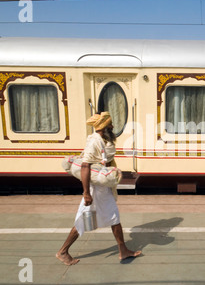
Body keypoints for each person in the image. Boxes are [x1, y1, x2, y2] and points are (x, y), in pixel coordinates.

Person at [56, 112, 142, 265]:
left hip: (102, 188)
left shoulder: (103, 140)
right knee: (83, 220)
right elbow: (85, 166)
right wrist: (86, 193)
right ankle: (63, 251)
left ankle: (123, 250)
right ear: (104, 126)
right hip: (94, 189)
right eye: (110, 124)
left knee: (114, 217)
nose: (113, 126)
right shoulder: (94, 142)